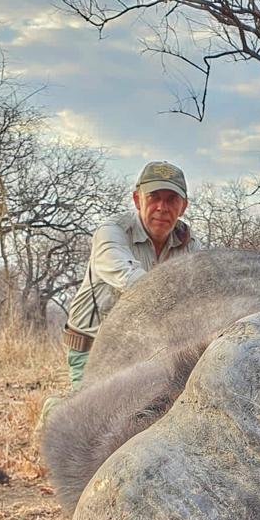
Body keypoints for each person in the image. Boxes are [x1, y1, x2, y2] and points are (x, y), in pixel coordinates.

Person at [61, 160, 201, 388]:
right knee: (89, 418)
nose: (162, 208)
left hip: (142, 348)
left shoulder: (190, 243)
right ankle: (54, 408)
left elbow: (206, 290)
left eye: (171, 200)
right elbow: (136, 282)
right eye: (154, 197)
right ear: (137, 199)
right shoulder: (112, 232)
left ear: (183, 207)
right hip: (93, 346)